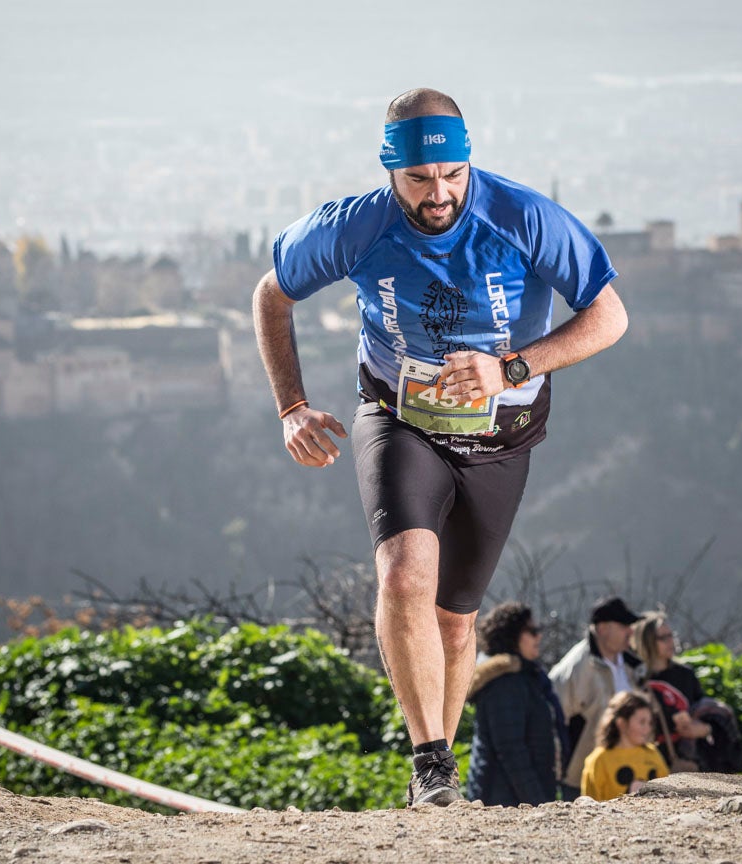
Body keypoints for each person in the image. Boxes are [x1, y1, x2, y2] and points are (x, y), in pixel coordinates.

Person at [253, 88, 628, 807]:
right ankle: (430, 764)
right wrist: (291, 406)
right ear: (390, 171)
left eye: (452, 174)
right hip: (399, 419)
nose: (439, 194)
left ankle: (439, 775)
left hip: (501, 434)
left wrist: (511, 367)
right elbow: (272, 295)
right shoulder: (354, 226)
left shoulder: (524, 217)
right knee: (403, 578)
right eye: (420, 179)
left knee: (457, 624)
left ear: (468, 161)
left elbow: (609, 317)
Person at [464, 602, 566, 806]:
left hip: (515, 796)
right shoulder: (504, 683)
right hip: (502, 800)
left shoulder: (526, 675)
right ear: (512, 636)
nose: (539, 636)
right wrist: (537, 802)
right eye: (532, 631)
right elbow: (511, 750)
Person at [549, 597, 644, 800]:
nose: (631, 632)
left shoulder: (631, 663)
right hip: (583, 776)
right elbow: (554, 720)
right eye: (624, 626)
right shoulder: (575, 668)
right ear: (602, 629)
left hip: (630, 770)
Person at [634, 613, 714, 768]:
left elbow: (703, 712)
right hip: (647, 762)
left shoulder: (685, 675)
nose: (670, 641)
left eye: (671, 635)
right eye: (662, 638)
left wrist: (702, 729)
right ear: (647, 642)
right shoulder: (636, 678)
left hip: (685, 760)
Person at [580, 691, 669, 801]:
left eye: (650, 723)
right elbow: (590, 804)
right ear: (621, 723)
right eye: (642, 722)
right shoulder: (599, 759)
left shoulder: (652, 753)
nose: (647, 729)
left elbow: (668, 792)